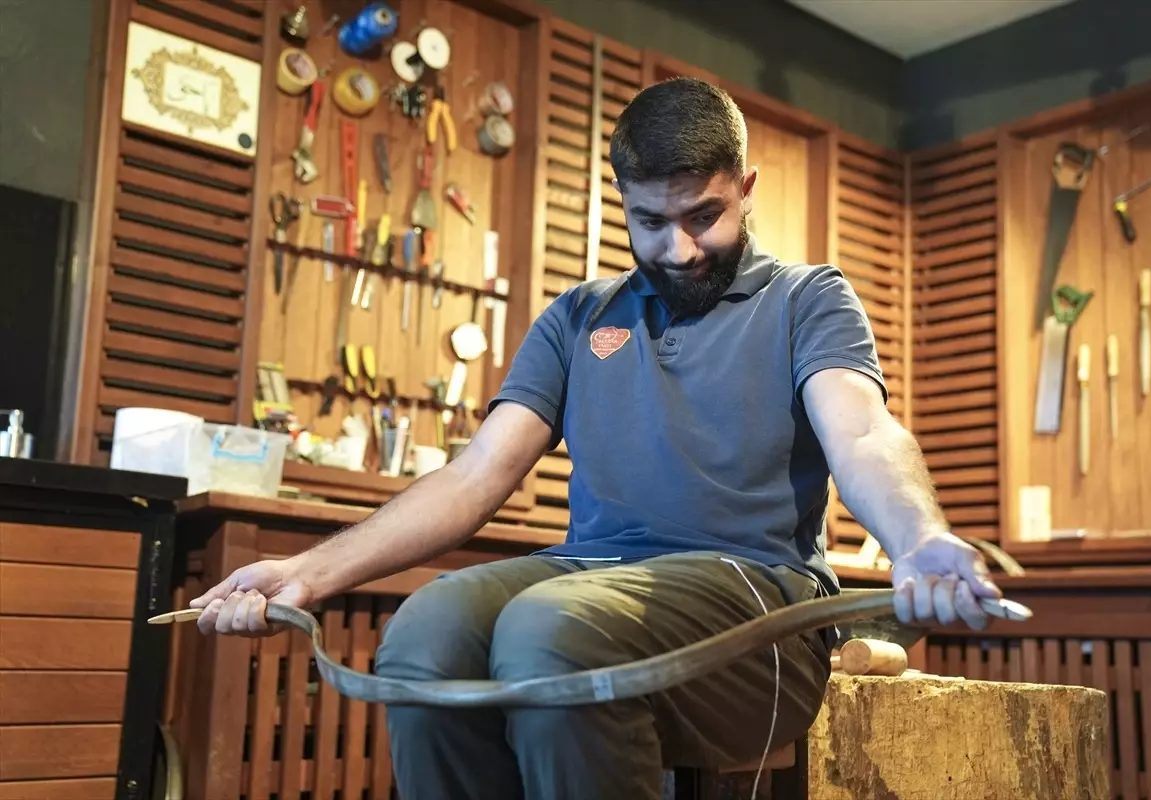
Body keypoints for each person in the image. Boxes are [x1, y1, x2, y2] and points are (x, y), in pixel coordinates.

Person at [191, 77, 1002, 799]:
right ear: (623, 203)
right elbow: (475, 476)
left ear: (746, 189)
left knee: (551, 631)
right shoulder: (579, 317)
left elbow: (862, 433)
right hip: (591, 578)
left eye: (704, 216)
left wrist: (918, 538)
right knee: (425, 632)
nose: (680, 250)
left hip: (759, 605)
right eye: (651, 222)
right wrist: (306, 574)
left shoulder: (806, 299)